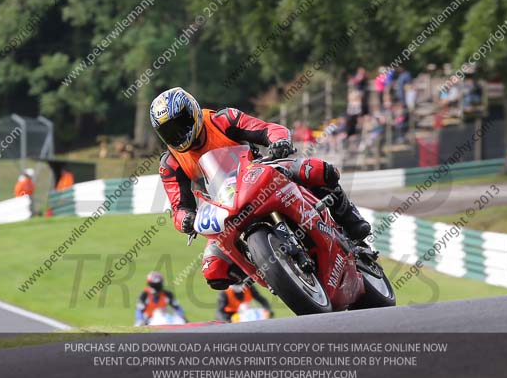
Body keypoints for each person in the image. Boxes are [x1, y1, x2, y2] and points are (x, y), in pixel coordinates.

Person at [151, 87, 371, 290]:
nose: (178, 134)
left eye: (181, 124)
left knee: (316, 170)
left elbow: (268, 129)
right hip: (222, 205)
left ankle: (349, 217)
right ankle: (270, 271)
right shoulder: (169, 163)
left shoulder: (222, 119)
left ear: (193, 112)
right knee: (214, 271)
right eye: (169, 131)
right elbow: (179, 205)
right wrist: (185, 219)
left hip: (258, 172)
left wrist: (279, 142)